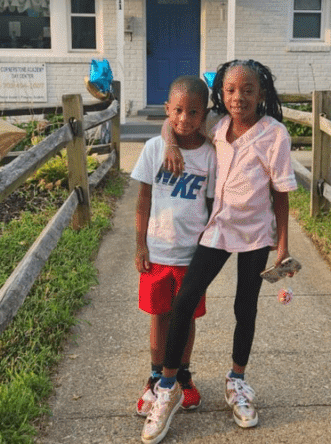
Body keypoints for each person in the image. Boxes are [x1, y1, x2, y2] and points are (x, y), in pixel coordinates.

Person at [141, 59, 298, 444]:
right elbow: (172, 121)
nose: (238, 97)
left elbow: (281, 193)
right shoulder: (218, 126)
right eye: (230, 90)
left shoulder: (274, 135)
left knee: (245, 306)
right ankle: (168, 385)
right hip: (217, 229)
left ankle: (238, 381)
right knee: (184, 300)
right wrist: (172, 140)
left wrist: (283, 244)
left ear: (261, 94)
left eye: (247, 90)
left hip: (256, 235)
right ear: (220, 96)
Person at [130, 75, 216, 419]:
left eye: (193, 112)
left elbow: (212, 207)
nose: (184, 119)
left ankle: (182, 374)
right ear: (167, 110)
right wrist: (139, 244)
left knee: (188, 316)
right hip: (158, 252)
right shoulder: (154, 149)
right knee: (160, 315)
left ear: (204, 113)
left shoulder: (210, 155)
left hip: (192, 256)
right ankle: (154, 376)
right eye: (178, 110)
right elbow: (142, 200)